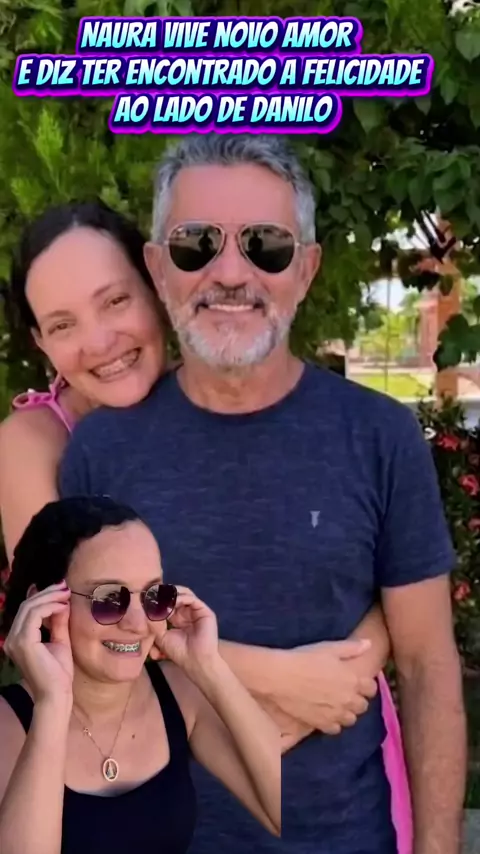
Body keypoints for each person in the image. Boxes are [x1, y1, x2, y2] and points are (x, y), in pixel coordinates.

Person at [52, 133, 466, 854]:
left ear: (305, 269)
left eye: (265, 245)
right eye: (196, 245)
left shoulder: (380, 437)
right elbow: (80, 661)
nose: (230, 273)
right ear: (158, 267)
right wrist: (271, 684)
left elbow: (429, 667)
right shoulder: (101, 451)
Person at [0, 195, 404, 850]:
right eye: (63, 323)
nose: (99, 342)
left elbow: (379, 561)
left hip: (330, 741)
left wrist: (352, 671)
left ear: (160, 286)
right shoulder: (34, 444)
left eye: (115, 301)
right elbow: (74, 623)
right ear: (40, 342)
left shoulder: (230, 392)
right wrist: (291, 681)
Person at [0, 495, 280, 854]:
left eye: (153, 596)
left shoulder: (179, 693)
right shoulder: (8, 725)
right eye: (109, 598)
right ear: (45, 604)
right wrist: (52, 705)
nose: (138, 623)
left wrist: (210, 668)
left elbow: (280, 811)